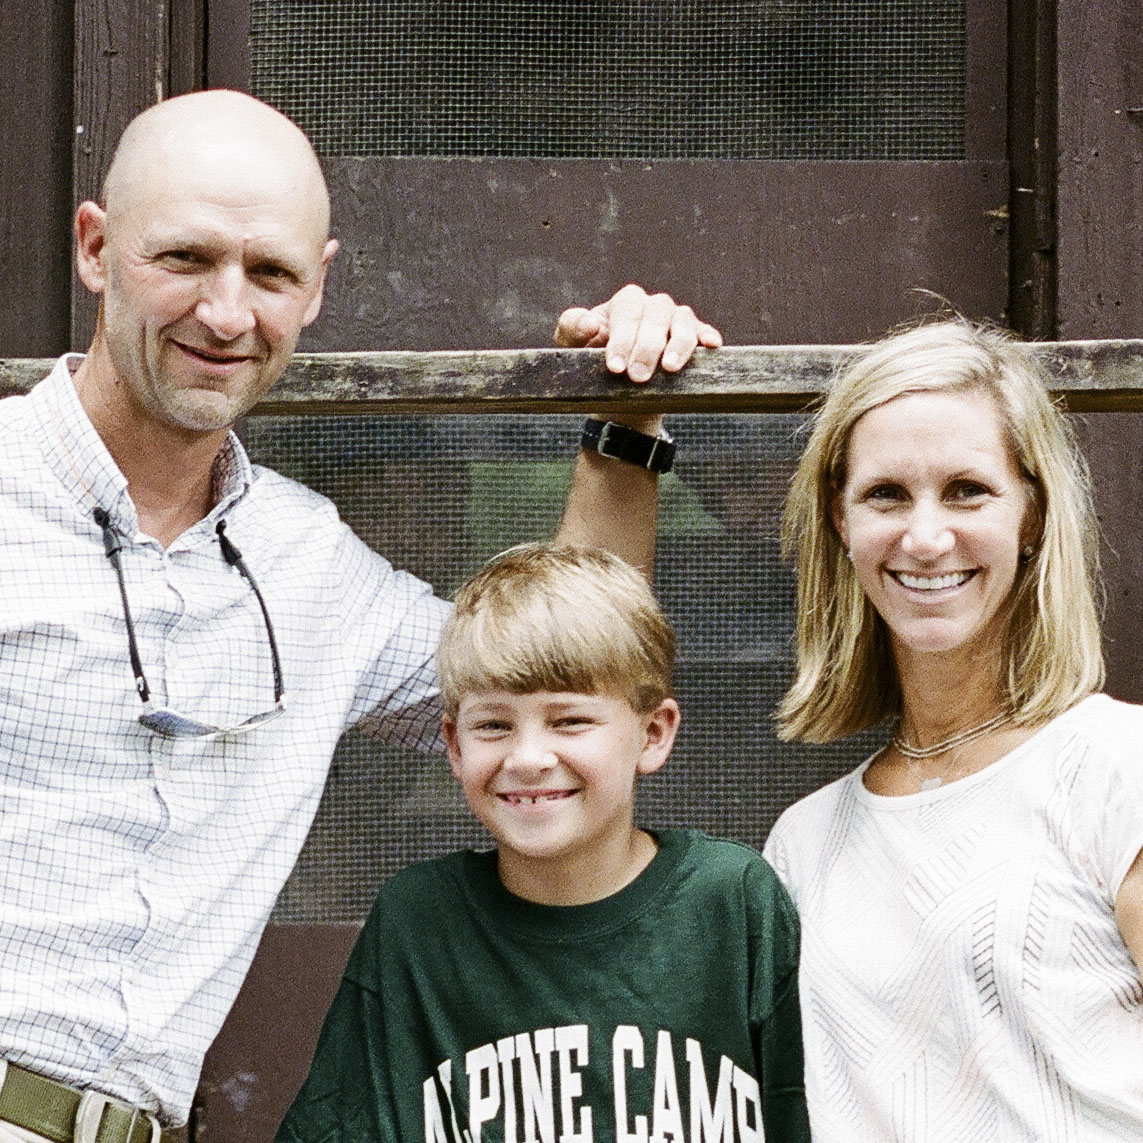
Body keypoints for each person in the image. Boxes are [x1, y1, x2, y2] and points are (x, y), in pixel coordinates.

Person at [0, 88, 720, 1140]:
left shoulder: (310, 565)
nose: (227, 314)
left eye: (270, 273)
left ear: (319, 286)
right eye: (186, 259)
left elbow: (567, 670)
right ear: (96, 248)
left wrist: (628, 412)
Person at [275, 542, 810, 1143]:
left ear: (653, 733)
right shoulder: (420, 921)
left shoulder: (733, 900)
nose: (528, 759)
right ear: (454, 745)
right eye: (493, 725)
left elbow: (804, 1110)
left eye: (569, 720)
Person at [762, 318, 1143, 1141]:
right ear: (839, 521)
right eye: (885, 494)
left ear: (1031, 513)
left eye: (967, 489)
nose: (926, 537)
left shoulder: (1120, 769)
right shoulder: (803, 842)